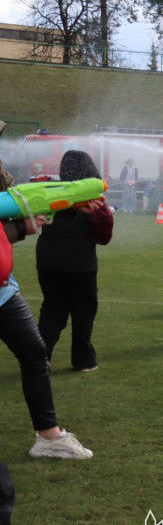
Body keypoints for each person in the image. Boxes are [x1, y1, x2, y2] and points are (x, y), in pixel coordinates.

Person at [0, 168, 93, 459]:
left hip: (3, 288)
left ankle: (49, 437)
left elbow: (5, 223)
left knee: (35, 352)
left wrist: (65, 208)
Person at [36, 150, 114, 372]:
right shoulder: (92, 197)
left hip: (48, 260)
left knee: (51, 309)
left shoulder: (50, 192)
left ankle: (41, 359)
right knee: (83, 310)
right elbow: (104, 236)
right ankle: (83, 360)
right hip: (81, 263)